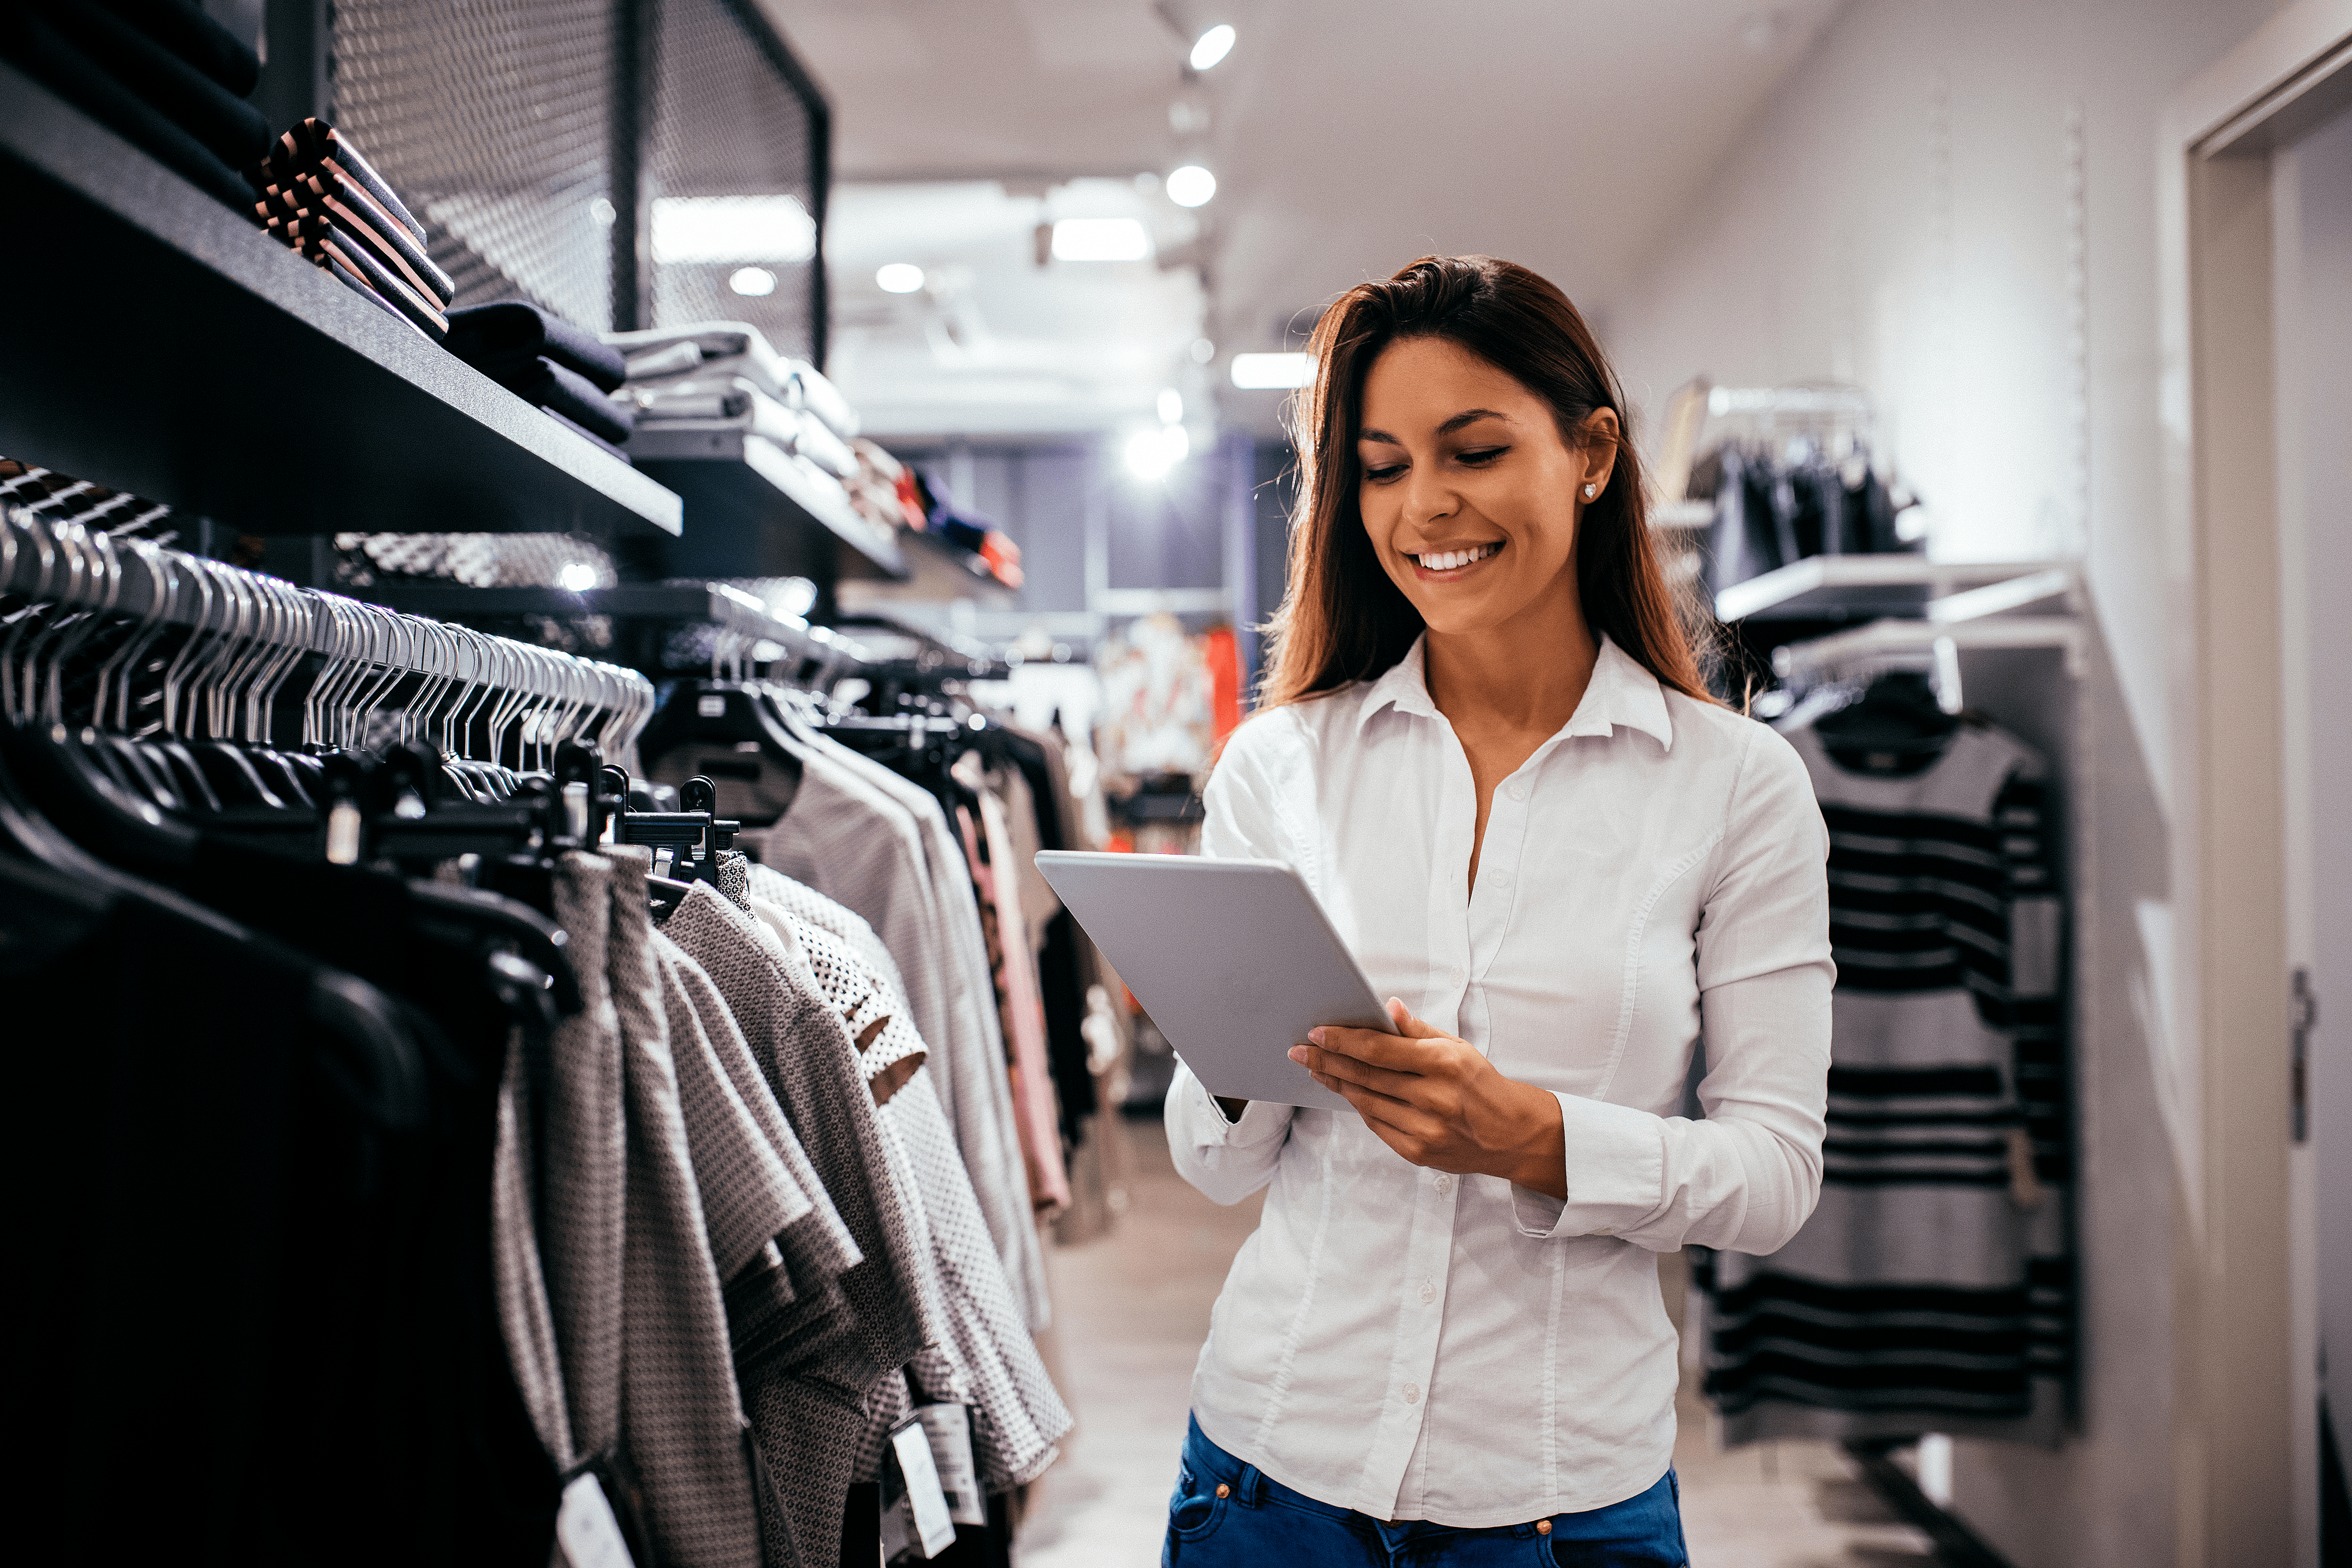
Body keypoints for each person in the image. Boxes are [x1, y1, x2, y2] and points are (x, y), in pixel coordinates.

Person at [1162, 255, 1833, 1566]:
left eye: (1474, 449)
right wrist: (1234, 1050)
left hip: (1558, 1494)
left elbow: (1775, 1174)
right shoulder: (1282, 766)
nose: (1427, 506)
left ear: (1590, 454)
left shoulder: (1735, 788)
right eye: (1382, 464)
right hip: (1266, 1473)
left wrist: (1540, 1137)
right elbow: (1213, 1164)